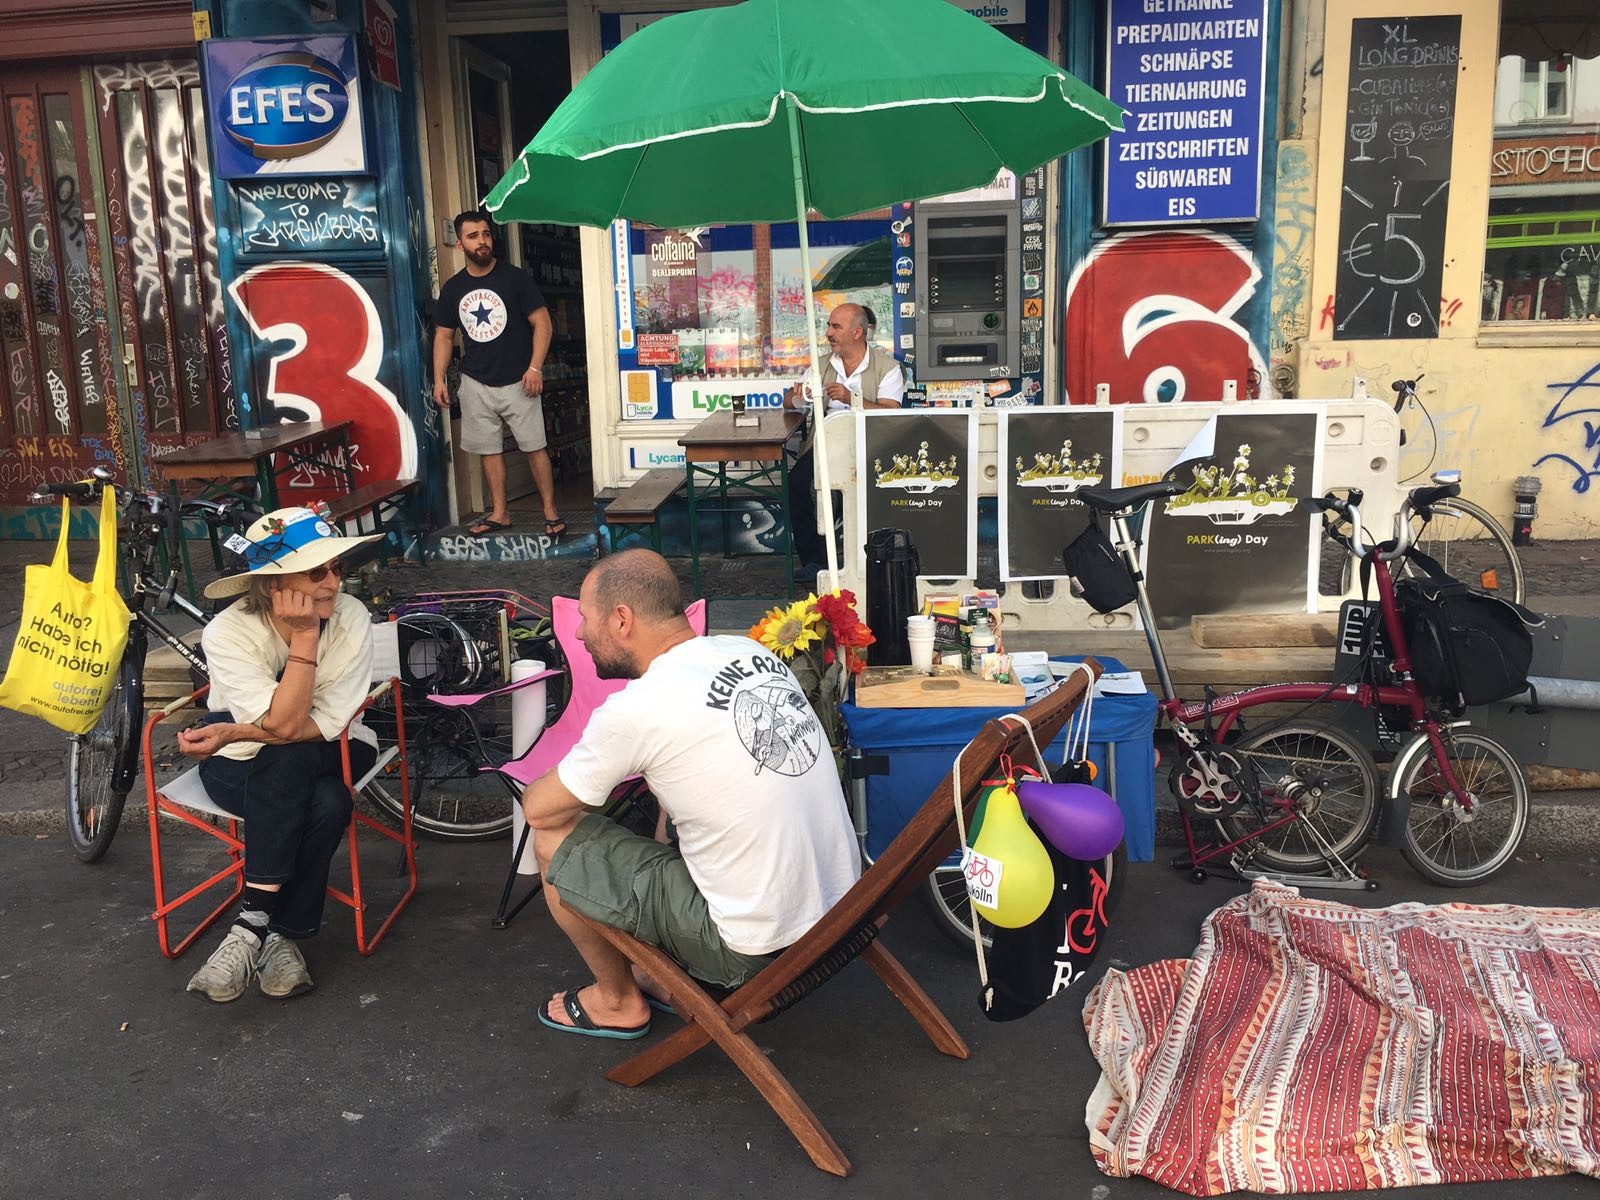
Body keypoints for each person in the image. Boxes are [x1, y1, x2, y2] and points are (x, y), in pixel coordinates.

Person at [521, 549, 860, 1038]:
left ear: (622, 620)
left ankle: (617, 1001)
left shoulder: (638, 708)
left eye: (585, 618)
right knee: (665, 814)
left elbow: (539, 809)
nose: (577, 633)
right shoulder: (750, 652)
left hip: (755, 951)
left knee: (555, 839)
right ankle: (661, 971)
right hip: (838, 912)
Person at [178, 507, 383, 1003]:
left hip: (334, 744)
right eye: (317, 571)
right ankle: (281, 936)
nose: (333, 581)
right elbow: (285, 727)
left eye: (338, 567)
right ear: (273, 584)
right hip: (240, 763)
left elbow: (300, 727)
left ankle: (247, 925)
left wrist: (234, 730)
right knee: (327, 803)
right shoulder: (226, 633)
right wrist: (306, 637)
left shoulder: (351, 616)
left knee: (288, 757)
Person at [432, 210, 565, 540]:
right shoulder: (453, 289)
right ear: (460, 243)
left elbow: (542, 323)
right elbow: (444, 336)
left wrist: (535, 367)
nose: (482, 241)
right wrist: (438, 379)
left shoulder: (515, 278)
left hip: (520, 378)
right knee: (489, 451)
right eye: (473, 236)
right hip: (476, 380)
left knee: (535, 446)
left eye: (486, 234)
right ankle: (500, 513)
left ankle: (550, 511)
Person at [783, 303, 904, 574]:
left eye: (836, 327)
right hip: (826, 443)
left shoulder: (887, 368)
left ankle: (871, 558)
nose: (828, 333)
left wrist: (853, 399)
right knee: (799, 485)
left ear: (857, 332)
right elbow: (788, 402)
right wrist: (802, 395)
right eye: (829, 326)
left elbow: (890, 412)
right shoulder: (822, 365)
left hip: (872, 445)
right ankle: (815, 562)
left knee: (870, 493)